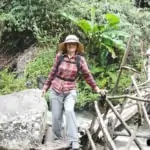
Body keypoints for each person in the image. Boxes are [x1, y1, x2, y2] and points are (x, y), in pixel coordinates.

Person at [42, 35, 106, 149]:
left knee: (69, 110)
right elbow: (52, 72)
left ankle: (74, 141)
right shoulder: (60, 57)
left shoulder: (80, 60)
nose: (71, 45)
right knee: (56, 118)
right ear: (66, 46)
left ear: (77, 46)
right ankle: (59, 139)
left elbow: (87, 75)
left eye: (74, 44)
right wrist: (45, 87)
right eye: (69, 44)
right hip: (56, 89)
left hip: (70, 90)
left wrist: (96, 88)